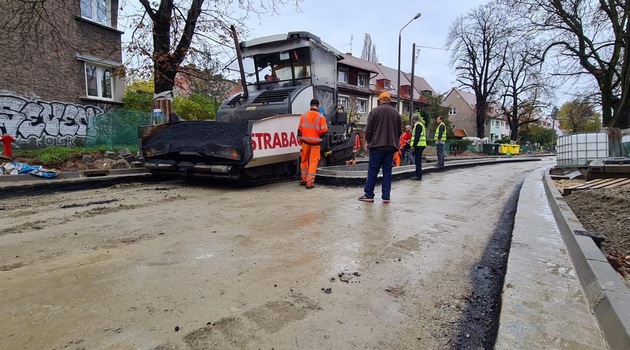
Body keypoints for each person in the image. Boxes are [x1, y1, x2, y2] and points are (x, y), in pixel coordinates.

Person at [358, 92, 402, 203]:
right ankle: (386, 197)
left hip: (377, 147)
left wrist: (370, 142)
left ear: (380, 100)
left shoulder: (374, 112)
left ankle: (369, 195)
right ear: (389, 100)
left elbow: (368, 130)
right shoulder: (396, 113)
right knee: (387, 172)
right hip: (390, 147)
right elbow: (399, 132)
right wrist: (393, 141)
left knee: (373, 171)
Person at [297, 99, 328, 189]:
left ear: (310, 105)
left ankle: (304, 179)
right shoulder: (321, 117)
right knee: (313, 163)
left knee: (304, 161)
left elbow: (299, 130)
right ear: (318, 106)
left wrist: (299, 139)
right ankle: (309, 183)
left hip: (305, 143)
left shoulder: (304, 115)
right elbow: (323, 132)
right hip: (315, 144)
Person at [409, 115, 426, 180]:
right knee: (417, 161)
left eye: (412, 120)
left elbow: (417, 137)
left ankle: (418, 175)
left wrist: (414, 146)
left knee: (417, 161)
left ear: (414, 119)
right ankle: (418, 174)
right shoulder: (420, 125)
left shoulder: (418, 125)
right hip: (420, 145)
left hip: (419, 145)